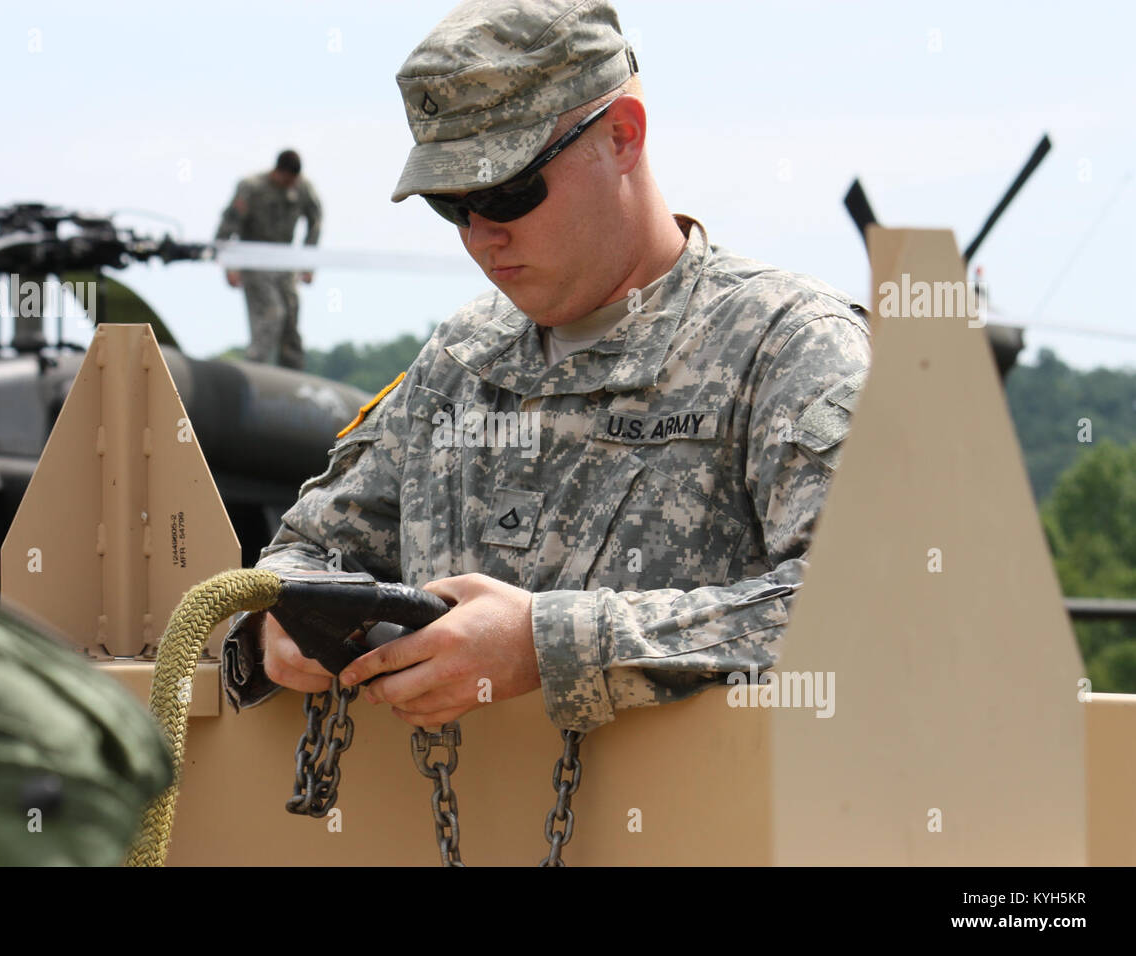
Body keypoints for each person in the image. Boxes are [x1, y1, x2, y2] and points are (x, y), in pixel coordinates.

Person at [222, 0, 872, 735]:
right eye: (452, 206)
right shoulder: (460, 360)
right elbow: (304, 552)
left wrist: (549, 644)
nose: (482, 236)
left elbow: (869, 608)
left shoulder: (787, 348)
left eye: (508, 191)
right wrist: (285, 623)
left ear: (622, 136)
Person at [216, 149, 323, 369]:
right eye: (286, 180)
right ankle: (257, 367)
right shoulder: (252, 187)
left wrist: (308, 262)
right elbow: (229, 225)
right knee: (271, 314)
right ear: (278, 172)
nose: (288, 186)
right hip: (255, 262)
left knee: (291, 320)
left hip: (285, 262)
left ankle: (292, 373)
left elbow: (316, 220)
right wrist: (230, 266)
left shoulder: (303, 188)